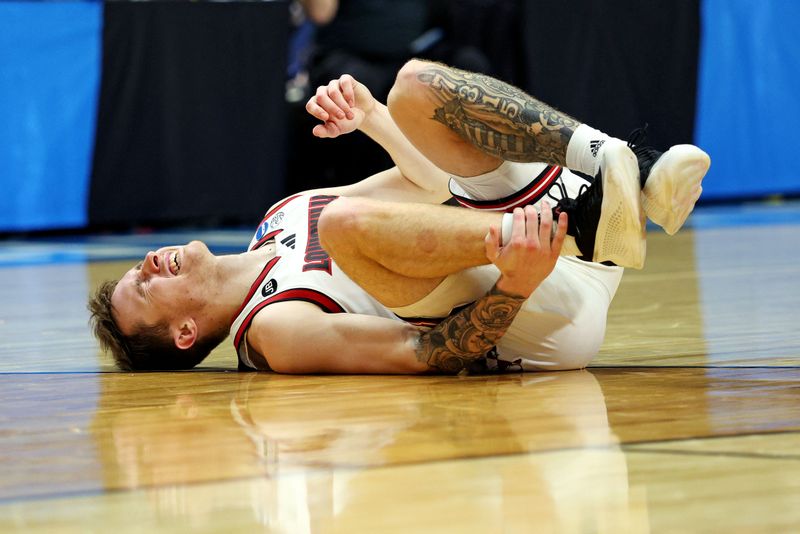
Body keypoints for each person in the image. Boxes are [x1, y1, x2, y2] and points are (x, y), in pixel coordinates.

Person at [88, 60, 710, 374]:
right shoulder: (272, 330)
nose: (147, 264)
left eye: (137, 269)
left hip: (534, 225)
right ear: (186, 333)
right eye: (145, 288)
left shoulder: (281, 215)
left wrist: (373, 121)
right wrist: (519, 281)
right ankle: (591, 214)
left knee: (411, 87)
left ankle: (624, 171)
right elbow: (423, 353)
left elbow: (430, 182)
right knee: (345, 226)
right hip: (536, 302)